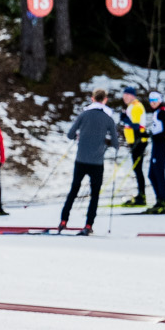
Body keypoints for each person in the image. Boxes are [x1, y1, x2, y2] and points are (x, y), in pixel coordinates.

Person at [60, 87, 121, 234]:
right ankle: (88, 225)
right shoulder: (108, 118)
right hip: (97, 162)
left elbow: (70, 134)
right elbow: (116, 143)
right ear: (105, 100)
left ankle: (63, 221)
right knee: (94, 195)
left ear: (92, 99)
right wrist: (105, 141)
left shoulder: (84, 114)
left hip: (81, 159)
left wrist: (79, 136)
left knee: (74, 190)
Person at [117, 85, 148, 206]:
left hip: (138, 141)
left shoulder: (135, 107)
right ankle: (141, 195)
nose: (124, 98)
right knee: (137, 169)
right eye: (123, 96)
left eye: (126, 95)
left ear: (132, 96)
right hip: (134, 141)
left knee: (138, 168)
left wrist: (125, 119)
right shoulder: (131, 106)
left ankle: (141, 196)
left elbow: (136, 126)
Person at [145, 90, 165, 213]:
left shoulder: (162, 112)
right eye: (151, 100)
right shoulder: (157, 112)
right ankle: (159, 200)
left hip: (160, 146)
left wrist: (154, 136)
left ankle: (162, 202)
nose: (152, 103)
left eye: (155, 100)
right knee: (152, 174)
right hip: (156, 145)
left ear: (159, 101)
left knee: (158, 174)